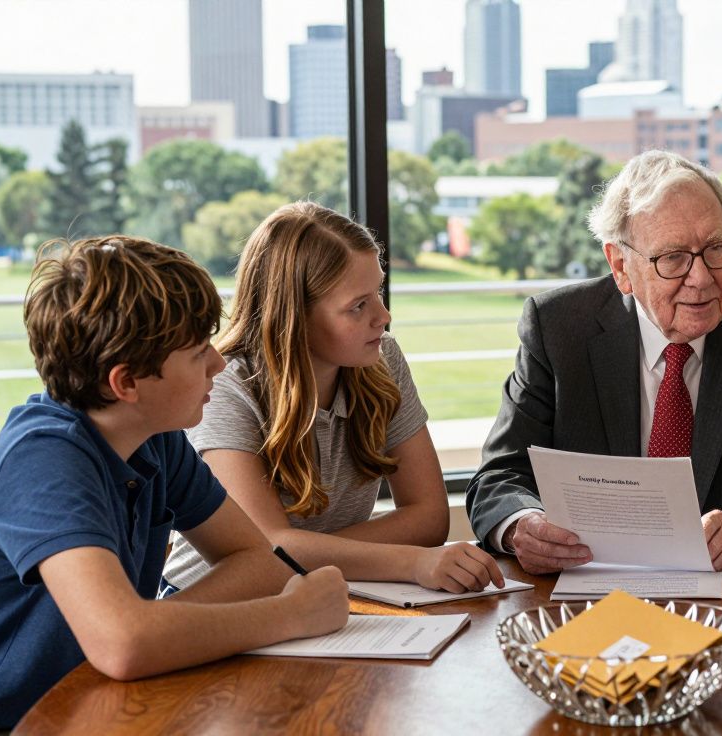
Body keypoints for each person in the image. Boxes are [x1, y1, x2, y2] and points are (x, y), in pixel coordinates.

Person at [0, 236, 349, 730]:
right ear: (126, 383)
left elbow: (259, 563)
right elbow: (124, 644)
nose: (218, 363)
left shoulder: (155, 438)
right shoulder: (40, 460)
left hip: (97, 703)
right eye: (198, 353)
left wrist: (157, 628)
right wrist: (292, 615)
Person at [465, 150, 722, 575]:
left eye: (716, 248)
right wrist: (523, 525)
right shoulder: (559, 328)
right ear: (621, 266)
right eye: (673, 258)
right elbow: (499, 476)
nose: (702, 278)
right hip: (590, 589)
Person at [163, 203, 503, 595]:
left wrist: (311, 552)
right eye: (358, 305)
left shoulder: (382, 358)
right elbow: (269, 546)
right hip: (213, 604)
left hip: (334, 587)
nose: (384, 315)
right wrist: (409, 561)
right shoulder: (226, 383)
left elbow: (429, 518)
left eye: (376, 291)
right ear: (294, 316)